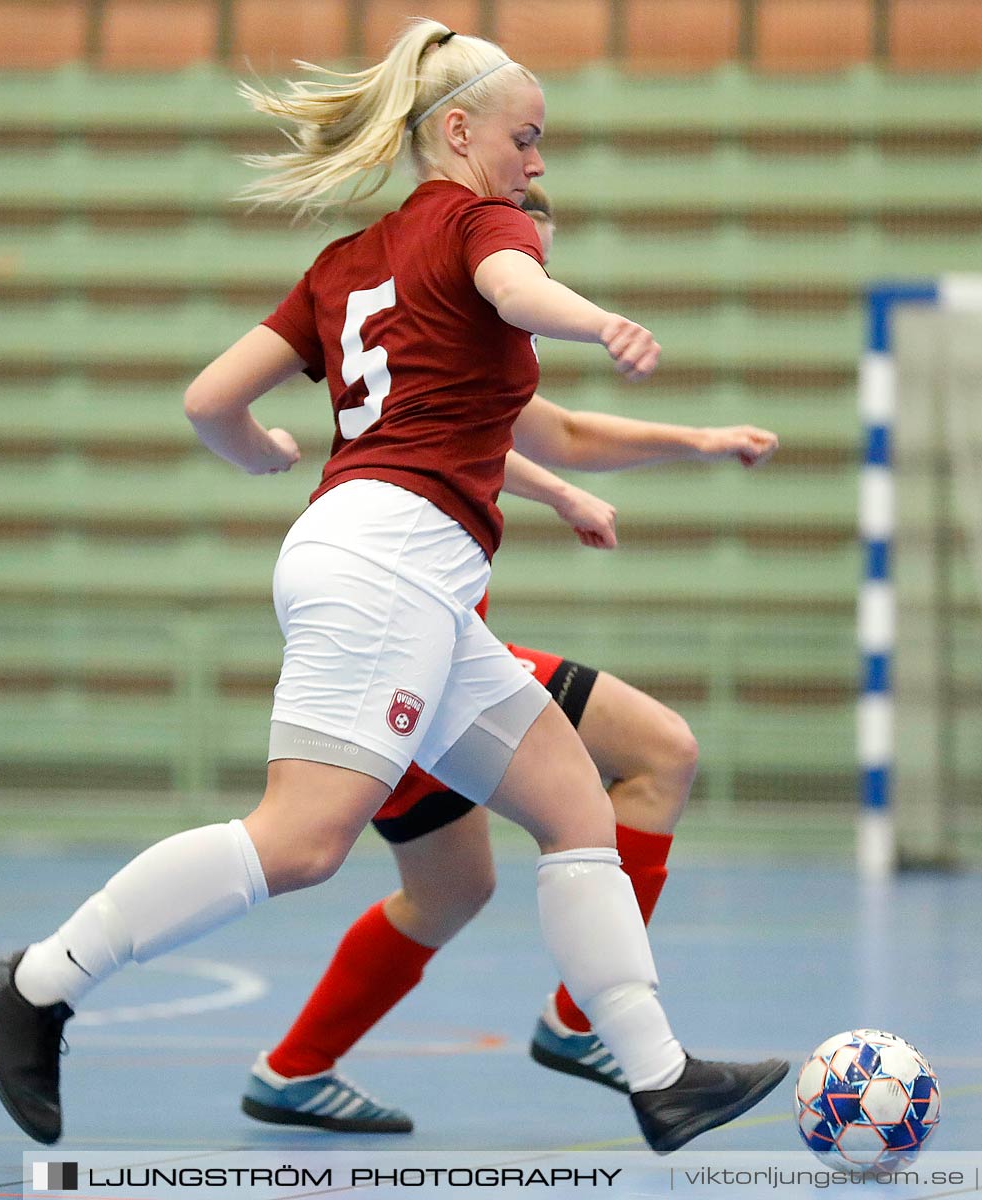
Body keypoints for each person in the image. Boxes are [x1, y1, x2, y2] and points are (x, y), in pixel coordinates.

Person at [0, 20, 787, 1152]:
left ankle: (657, 1076)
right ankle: (40, 981)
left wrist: (255, 447)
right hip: (390, 563)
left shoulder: (350, 262)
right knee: (301, 842)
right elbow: (513, 279)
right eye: (528, 136)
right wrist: (595, 319)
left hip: (397, 566)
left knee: (574, 804)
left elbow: (211, 398)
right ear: (459, 131)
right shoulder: (481, 220)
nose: (537, 160)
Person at [240, 183, 781, 1133]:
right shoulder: (461, 319)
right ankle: (585, 1021)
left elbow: (534, 435)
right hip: (416, 658)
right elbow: (547, 432)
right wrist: (599, 460)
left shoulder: (444, 352)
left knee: (453, 890)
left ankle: (293, 1069)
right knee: (659, 753)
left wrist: (680, 446)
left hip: (435, 649)